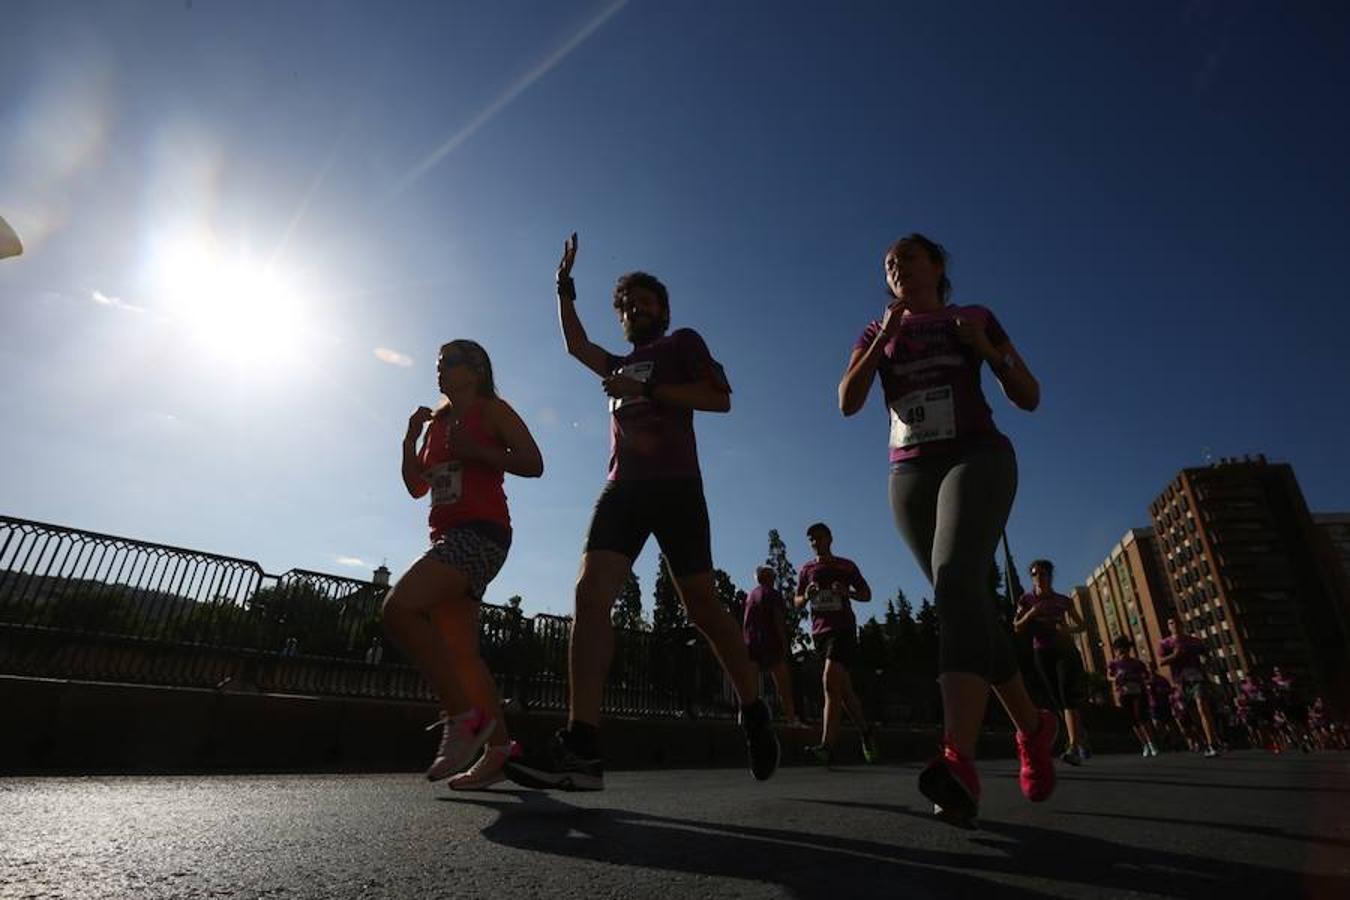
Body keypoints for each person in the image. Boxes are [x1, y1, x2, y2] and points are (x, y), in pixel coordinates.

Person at [505, 233, 779, 791]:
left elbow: (719, 398)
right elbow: (577, 346)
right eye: (626, 306)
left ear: (664, 308)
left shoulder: (682, 343)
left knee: (702, 607)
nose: (634, 311)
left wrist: (650, 392)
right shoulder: (619, 361)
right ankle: (582, 748)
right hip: (622, 487)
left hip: (677, 486)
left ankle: (753, 709)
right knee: (589, 595)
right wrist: (563, 287)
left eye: (644, 302)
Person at [837, 232, 1057, 828]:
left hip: (976, 456)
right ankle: (1034, 729)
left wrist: (985, 348)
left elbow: (1029, 395)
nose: (897, 266)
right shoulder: (876, 331)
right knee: (966, 605)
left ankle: (957, 761)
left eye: (908, 257)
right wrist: (883, 337)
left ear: (936, 265)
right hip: (909, 472)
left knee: (958, 579)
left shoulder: (974, 316)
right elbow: (847, 402)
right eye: (888, 263)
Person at [382, 339, 544, 790]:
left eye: (448, 362)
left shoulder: (492, 410)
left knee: (398, 609)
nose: (438, 370)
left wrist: (479, 451)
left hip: (482, 531)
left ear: (474, 370)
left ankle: (462, 717)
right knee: (463, 654)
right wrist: (409, 440)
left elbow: (534, 463)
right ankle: (499, 750)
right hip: (448, 535)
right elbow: (417, 486)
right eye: (437, 363)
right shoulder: (439, 423)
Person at [794, 523, 879, 764]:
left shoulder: (846, 565)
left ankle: (826, 747)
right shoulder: (807, 569)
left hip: (842, 630)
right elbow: (797, 602)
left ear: (830, 538)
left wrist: (847, 592)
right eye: (811, 539)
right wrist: (806, 596)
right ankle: (866, 731)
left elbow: (867, 594)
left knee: (829, 682)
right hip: (819, 633)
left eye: (819, 537)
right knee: (844, 692)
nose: (815, 543)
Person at [1013, 560, 1091, 765]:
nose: (1039, 577)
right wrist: (1031, 614)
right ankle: (1079, 734)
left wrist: (1068, 630)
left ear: (1050, 576)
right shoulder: (1026, 599)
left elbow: (1082, 625)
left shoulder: (1063, 600)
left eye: (1043, 573)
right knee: (1057, 699)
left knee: (1066, 694)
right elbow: (1017, 627)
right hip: (1042, 651)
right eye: (1034, 574)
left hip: (1064, 650)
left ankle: (1073, 747)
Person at [743, 565, 803, 726]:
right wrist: (784, 643)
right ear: (768, 577)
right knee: (783, 685)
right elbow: (778, 620)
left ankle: (745, 720)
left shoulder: (750, 596)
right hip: (770, 643)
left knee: (751, 688)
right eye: (773, 575)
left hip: (751, 643)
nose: (775, 577)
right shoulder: (773, 594)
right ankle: (791, 719)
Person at [1157, 616, 1222, 758]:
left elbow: (1207, 656)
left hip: (1197, 678)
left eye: (1177, 622)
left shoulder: (1194, 641)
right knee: (1191, 715)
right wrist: (1175, 655)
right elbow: (1161, 661)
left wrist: (1207, 663)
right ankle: (1203, 739)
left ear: (1182, 625)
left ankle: (1212, 743)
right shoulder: (1165, 643)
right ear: (1168, 626)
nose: (1174, 624)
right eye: (1171, 623)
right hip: (1180, 682)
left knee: (1202, 707)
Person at [1107, 637, 1157, 757]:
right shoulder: (1113, 664)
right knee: (1133, 720)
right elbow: (1109, 676)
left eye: (1125, 649)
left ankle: (1151, 743)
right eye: (1119, 650)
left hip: (1137, 691)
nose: (1122, 652)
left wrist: (1141, 679)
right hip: (1124, 693)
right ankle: (1144, 744)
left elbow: (1147, 675)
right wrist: (1116, 678)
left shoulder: (1136, 663)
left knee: (1140, 716)